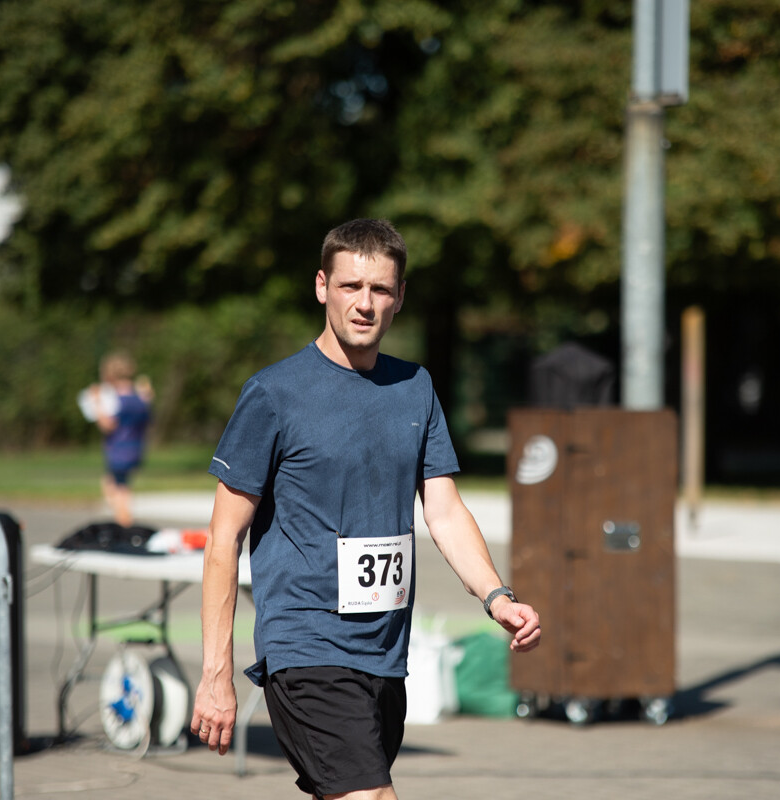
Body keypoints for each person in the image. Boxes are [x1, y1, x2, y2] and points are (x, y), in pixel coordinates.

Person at [191, 219, 541, 800]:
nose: (364, 304)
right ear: (322, 286)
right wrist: (215, 674)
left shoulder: (414, 387)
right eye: (351, 286)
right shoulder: (274, 393)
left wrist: (496, 596)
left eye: (380, 290)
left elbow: (445, 510)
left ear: (400, 297)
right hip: (305, 645)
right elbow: (222, 539)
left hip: (384, 651)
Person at [90, 351, 153, 527]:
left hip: (118, 448)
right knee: (120, 484)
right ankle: (123, 518)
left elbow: (108, 425)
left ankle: (124, 522)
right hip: (135, 446)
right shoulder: (140, 398)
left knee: (115, 487)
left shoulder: (116, 399)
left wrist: (96, 403)